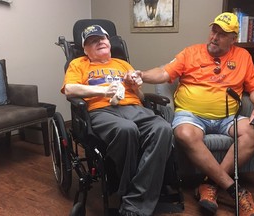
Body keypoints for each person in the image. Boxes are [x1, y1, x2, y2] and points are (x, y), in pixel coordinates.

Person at [127, 12, 254, 216]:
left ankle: (209, 185)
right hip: (191, 116)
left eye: (222, 34)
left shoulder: (243, 57)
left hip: (227, 117)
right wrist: (142, 74)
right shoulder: (191, 53)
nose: (214, 37)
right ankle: (235, 190)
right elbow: (165, 73)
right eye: (214, 30)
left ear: (233, 39)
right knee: (184, 133)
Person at [61, 24, 172, 216]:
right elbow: (70, 89)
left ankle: (133, 200)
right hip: (102, 111)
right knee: (126, 130)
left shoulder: (123, 65)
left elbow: (142, 98)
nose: (100, 42)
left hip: (134, 108)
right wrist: (103, 90)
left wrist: (135, 85)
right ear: (86, 50)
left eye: (102, 38)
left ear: (109, 43)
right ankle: (137, 197)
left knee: (163, 128)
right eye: (92, 41)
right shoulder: (79, 64)